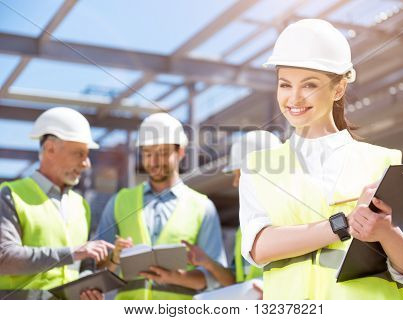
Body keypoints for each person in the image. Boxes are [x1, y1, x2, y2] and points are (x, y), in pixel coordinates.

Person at [238, 19, 403, 300]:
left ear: (338, 88)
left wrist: (386, 233)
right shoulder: (258, 168)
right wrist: (341, 225)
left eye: (309, 85)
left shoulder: (380, 161)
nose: (294, 97)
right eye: (285, 84)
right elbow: (259, 247)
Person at [96, 113, 227, 300]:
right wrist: (114, 258)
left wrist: (176, 278)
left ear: (180, 152)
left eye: (163, 153)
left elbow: (215, 277)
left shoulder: (202, 207)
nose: (154, 162)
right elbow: (98, 271)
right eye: (148, 154)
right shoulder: (119, 202)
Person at [0, 107, 113, 300]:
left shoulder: (80, 205)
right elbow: (4, 257)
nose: (87, 164)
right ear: (50, 148)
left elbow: (83, 262)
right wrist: (72, 253)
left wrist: (86, 286)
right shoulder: (11, 195)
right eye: (79, 153)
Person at [183, 131, 281, 297]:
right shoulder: (245, 227)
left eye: (239, 175)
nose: (235, 183)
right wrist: (208, 263)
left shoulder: (292, 217)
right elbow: (236, 282)